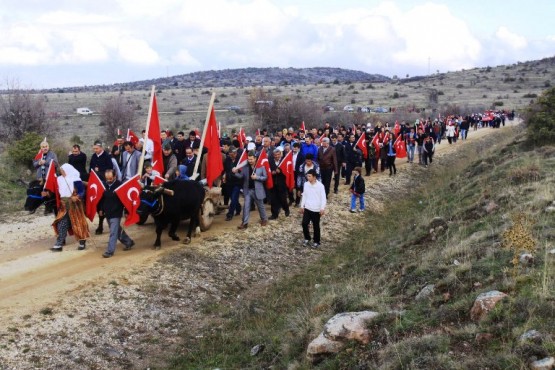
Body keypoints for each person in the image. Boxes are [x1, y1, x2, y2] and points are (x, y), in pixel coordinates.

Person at [51, 164, 89, 251]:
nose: (61, 172)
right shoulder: (59, 179)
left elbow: (82, 191)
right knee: (61, 222)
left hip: (75, 204)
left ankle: (82, 242)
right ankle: (59, 244)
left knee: (78, 223)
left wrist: (78, 197)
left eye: (63, 170)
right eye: (61, 170)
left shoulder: (75, 179)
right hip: (64, 204)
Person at [98, 169, 135, 258]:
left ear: (115, 176)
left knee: (113, 232)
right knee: (116, 230)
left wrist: (126, 211)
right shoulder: (104, 185)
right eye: (107, 178)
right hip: (107, 212)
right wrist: (101, 209)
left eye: (110, 178)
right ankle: (128, 242)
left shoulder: (120, 186)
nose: (108, 180)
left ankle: (110, 251)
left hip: (116, 212)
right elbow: (102, 199)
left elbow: (125, 200)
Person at [234, 151, 268, 229]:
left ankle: (264, 219)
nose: (250, 161)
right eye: (248, 159)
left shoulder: (260, 166)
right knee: (246, 206)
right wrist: (235, 172)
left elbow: (265, 177)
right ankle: (244, 223)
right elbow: (241, 176)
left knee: (260, 206)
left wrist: (257, 177)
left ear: (255, 158)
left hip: (257, 190)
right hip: (248, 190)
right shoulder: (245, 167)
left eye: (251, 159)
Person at [300, 169, 326, 249]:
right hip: (307, 207)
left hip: (316, 209)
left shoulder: (320, 186)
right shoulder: (306, 184)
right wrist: (302, 206)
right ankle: (307, 238)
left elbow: (323, 198)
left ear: (314, 177)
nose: (308, 177)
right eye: (307, 176)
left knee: (316, 226)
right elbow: (304, 195)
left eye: (309, 176)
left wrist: (322, 208)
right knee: (304, 223)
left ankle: (316, 241)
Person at [268, 148, 290, 219]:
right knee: (273, 200)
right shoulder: (270, 161)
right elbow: (268, 170)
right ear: (273, 155)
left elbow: (287, 171)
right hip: (273, 183)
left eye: (278, 154)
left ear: (280, 154)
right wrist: (272, 172)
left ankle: (286, 209)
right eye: (275, 155)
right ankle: (274, 214)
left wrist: (280, 171)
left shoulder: (283, 161)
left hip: (281, 183)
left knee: (283, 199)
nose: (277, 156)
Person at [223, 146, 242, 221]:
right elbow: (225, 169)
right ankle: (238, 207)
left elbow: (243, 171)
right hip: (229, 181)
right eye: (230, 154)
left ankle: (230, 214)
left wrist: (238, 172)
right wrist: (224, 176)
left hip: (237, 182)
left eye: (233, 154)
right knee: (233, 198)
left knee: (234, 197)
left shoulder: (240, 159)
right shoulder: (227, 159)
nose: (232, 155)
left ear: (236, 153)